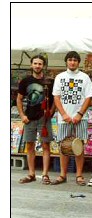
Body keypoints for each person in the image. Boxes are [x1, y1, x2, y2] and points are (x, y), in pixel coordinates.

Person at [51, 51, 92, 186]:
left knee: (78, 147)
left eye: (75, 60)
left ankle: (79, 175)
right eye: (70, 59)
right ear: (66, 61)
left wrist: (80, 114)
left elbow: (89, 97)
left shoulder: (84, 77)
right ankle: (62, 175)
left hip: (80, 119)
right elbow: (56, 97)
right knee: (64, 146)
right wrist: (64, 114)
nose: (72, 62)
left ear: (78, 62)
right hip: (63, 118)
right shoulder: (59, 77)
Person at [17, 54, 55, 185]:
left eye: (40, 64)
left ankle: (45, 174)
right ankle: (31, 174)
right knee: (30, 145)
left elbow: (55, 99)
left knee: (46, 145)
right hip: (29, 117)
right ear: (31, 65)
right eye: (35, 63)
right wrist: (22, 115)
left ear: (43, 66)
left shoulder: (50, 82)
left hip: (44, 119)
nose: (37, 66)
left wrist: (51, 111)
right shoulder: (25, 81)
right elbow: (19, 99)